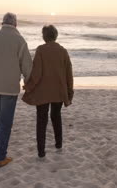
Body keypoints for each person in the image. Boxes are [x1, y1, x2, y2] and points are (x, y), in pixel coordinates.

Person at [0, 12, 33, 168]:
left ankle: (1, 146)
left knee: (0, 117)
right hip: (9, 88)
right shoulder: (20, 40)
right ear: (15, 24)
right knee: (6, 122)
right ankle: (1, 156)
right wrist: (29, 84)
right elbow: (27, 67)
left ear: (2, 23)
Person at [22, 25, 74, 158]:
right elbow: (69, 73)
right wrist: (69, 91)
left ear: (44, 36)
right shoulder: (63, 51)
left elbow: (37, 73)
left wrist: (28, 86)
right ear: (55, 35)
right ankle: (58, 144)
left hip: (42, 92)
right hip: (58, 91)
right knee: (56, 117)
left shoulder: (41, 50)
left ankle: (41, 151)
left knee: (41, 120)